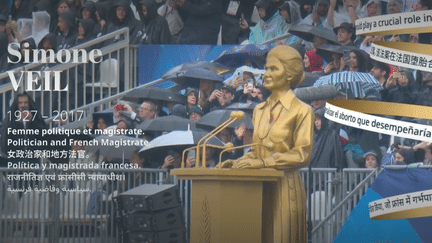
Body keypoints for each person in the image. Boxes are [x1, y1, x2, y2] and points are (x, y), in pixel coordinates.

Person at [220, 45, 313, 242]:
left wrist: (263, 163)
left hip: (285, 188)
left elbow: (302, 155)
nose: (266, 74)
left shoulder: (302, 110)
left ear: (289, 74)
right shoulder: (259, 110)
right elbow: (257, 150)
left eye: (273, 69)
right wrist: (237, 162)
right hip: (256, 189)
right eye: (266, 68)